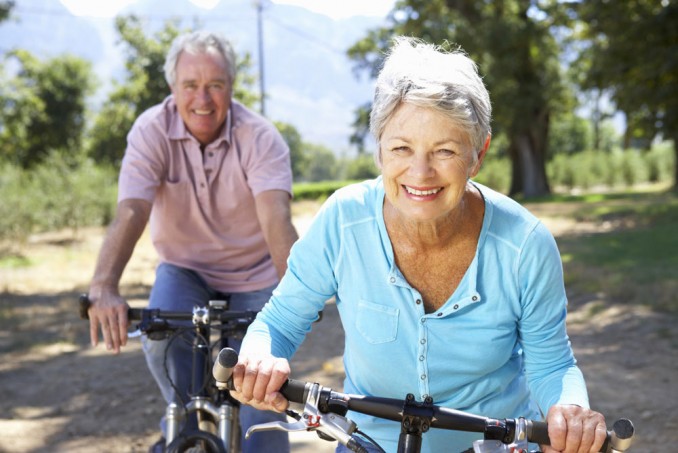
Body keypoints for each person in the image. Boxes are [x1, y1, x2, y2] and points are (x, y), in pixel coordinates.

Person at [229, 37, 607, 453]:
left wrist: (569, 410)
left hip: (491, 446)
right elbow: (278, 323)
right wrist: (261, 355)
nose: (420, 172)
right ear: (379, 151)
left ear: (477, 154)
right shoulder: (342, 220)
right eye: (401, 148)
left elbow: (552, 362)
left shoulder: (525, 246)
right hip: (368, 443)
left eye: (444, 150)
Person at [85, 30, 297, 453]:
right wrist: (104, 287)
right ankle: (185, 421)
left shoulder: (260, 137)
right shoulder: (150, 131)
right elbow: (132, 211)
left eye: (215, 85)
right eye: (191, 86)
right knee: (160, 337)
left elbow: (277, 220)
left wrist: (296, 297)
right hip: (185, 268)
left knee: (261, 397)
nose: (203, 98)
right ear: (172, 88)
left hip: (254, 273)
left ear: (231, 88)